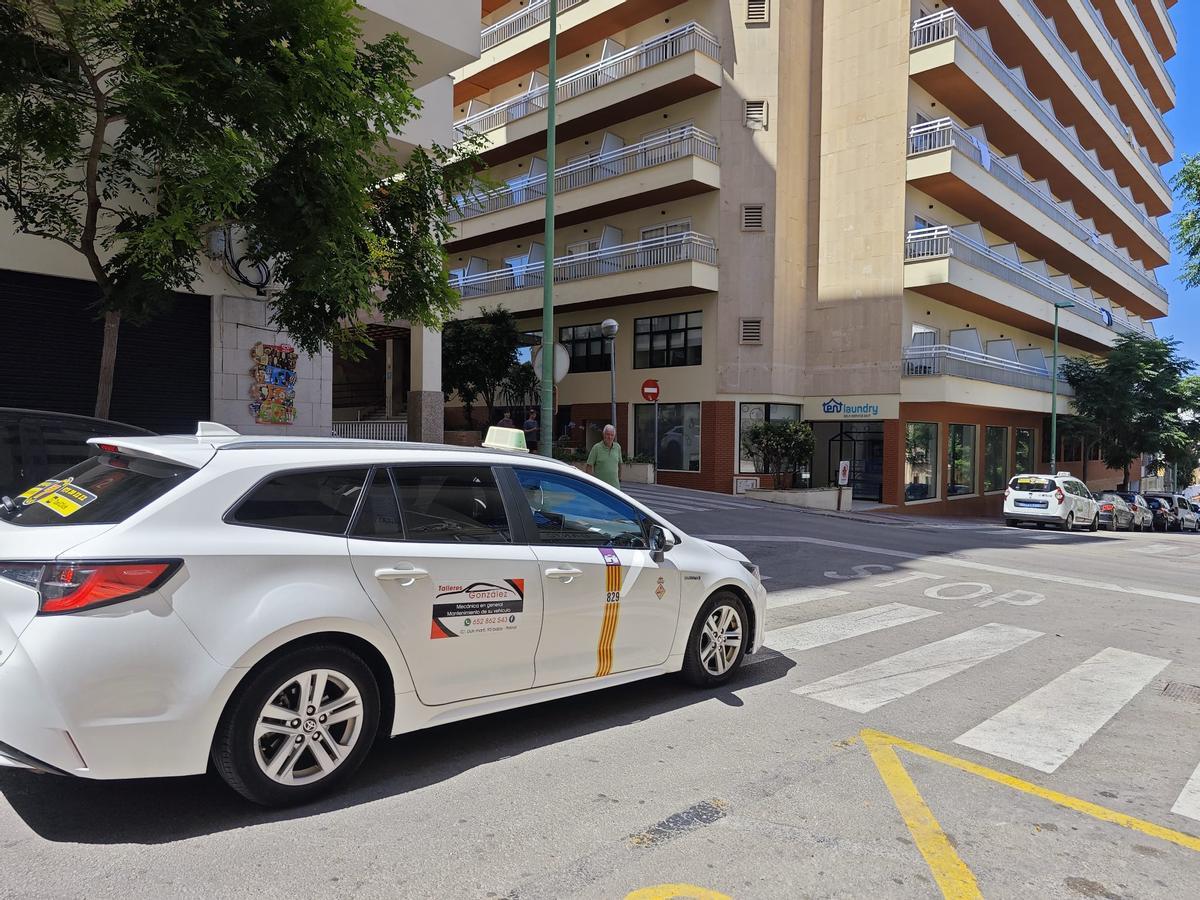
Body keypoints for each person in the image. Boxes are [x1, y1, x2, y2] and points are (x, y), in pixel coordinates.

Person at [586, 424, 623, 489]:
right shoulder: (596, 448)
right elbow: (589, 466)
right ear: (603, 435)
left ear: (614, 436)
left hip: (615, 487)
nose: (610, 437)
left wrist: (619, 478)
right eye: (607, 434)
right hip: (600, 487)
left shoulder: (617, 447)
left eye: (612, 435)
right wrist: (591, 483)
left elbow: (620, 464)